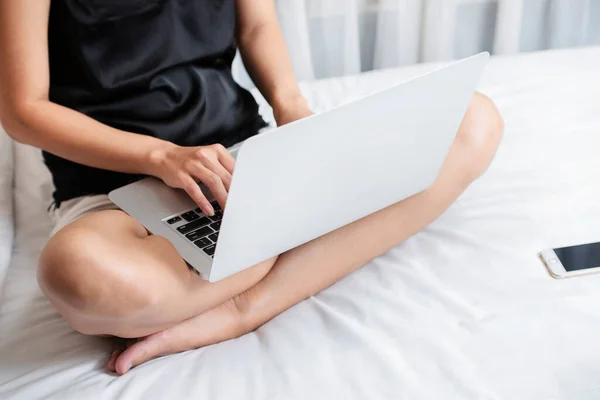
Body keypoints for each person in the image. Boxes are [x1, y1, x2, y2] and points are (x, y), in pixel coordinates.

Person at [0, 0, 503, 375]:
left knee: (472, 119)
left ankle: (246, 304)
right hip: (116, 187)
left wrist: (292, 111)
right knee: (78, 277)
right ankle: (278, 247)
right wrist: (159, 156)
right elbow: (24, 110)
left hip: (243, 157)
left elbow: (257, 24)